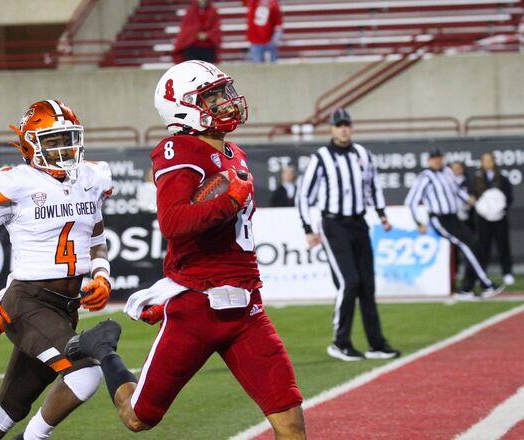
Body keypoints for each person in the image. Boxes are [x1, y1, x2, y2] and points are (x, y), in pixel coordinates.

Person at [65, 61, 306, 439]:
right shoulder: (179, 149)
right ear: (183, 106)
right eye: (212, 96)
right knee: (139, 419)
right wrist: (228, 201)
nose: (226, 102)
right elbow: (174, 223)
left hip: (246, 307)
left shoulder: (233, 153)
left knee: (290, 424)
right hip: (198, 307)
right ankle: (103, 350)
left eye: (224, 92)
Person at [0, 99, 114, 440]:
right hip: (27, 304)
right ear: (29, 145)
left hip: (65, 309)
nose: (64, 148)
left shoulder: (90, 178)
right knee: (86, 376)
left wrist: (102, 274)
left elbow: (96, 238)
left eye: (68, 138)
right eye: (53, 142)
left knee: (6, 411)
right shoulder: (17, 184)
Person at [296, 108, 400, 362]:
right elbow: (303, 196)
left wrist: (382, 214)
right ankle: (340, 343)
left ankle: (376, 343)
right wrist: (308, 229)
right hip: (334, 225)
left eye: (347, 124)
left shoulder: (362, 154)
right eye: (339, 125)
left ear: (351, 127)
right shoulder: (321, 157)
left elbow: (373, 186)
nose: (343, 128)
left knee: (367, 284)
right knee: (349, 282)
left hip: (359, 223)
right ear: (331, 129)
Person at [405, 149, 503, 299]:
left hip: (453, 217)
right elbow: (411, 201)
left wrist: (467, 199)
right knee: (466, 245)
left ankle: (466, 288)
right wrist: (418, 222)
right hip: (439, 218)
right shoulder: (425, 177)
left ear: (442, 158)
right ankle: (485, 283)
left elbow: (455, 190)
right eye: (433, 158)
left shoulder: (447, 172)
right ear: (428, 161)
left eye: (438, 157)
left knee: (474, 245)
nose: (436, 161)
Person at [473, 152, 514, 286]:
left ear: (494, 161)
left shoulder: (502, 178)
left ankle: (507, 273)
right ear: (482, 162)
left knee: (503, 246)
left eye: (489, 160)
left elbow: (509, 198)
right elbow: (473, 197)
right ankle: (482, 273)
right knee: (483, 246)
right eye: (485, 160)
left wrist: (500, 210)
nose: (487, 163)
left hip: (500, 219)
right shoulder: (477, 178)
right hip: (483, 219)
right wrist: (482, 209)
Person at [449, 161, 474, 278]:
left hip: (466, 219)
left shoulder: (469, 182)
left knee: (469, 245)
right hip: (452, 219)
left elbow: (472, 198)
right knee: (454, 248)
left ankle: (470, 271)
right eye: (454, 168)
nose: (457, 170)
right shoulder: (447, 182)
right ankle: (455, 271)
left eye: (459, 168)